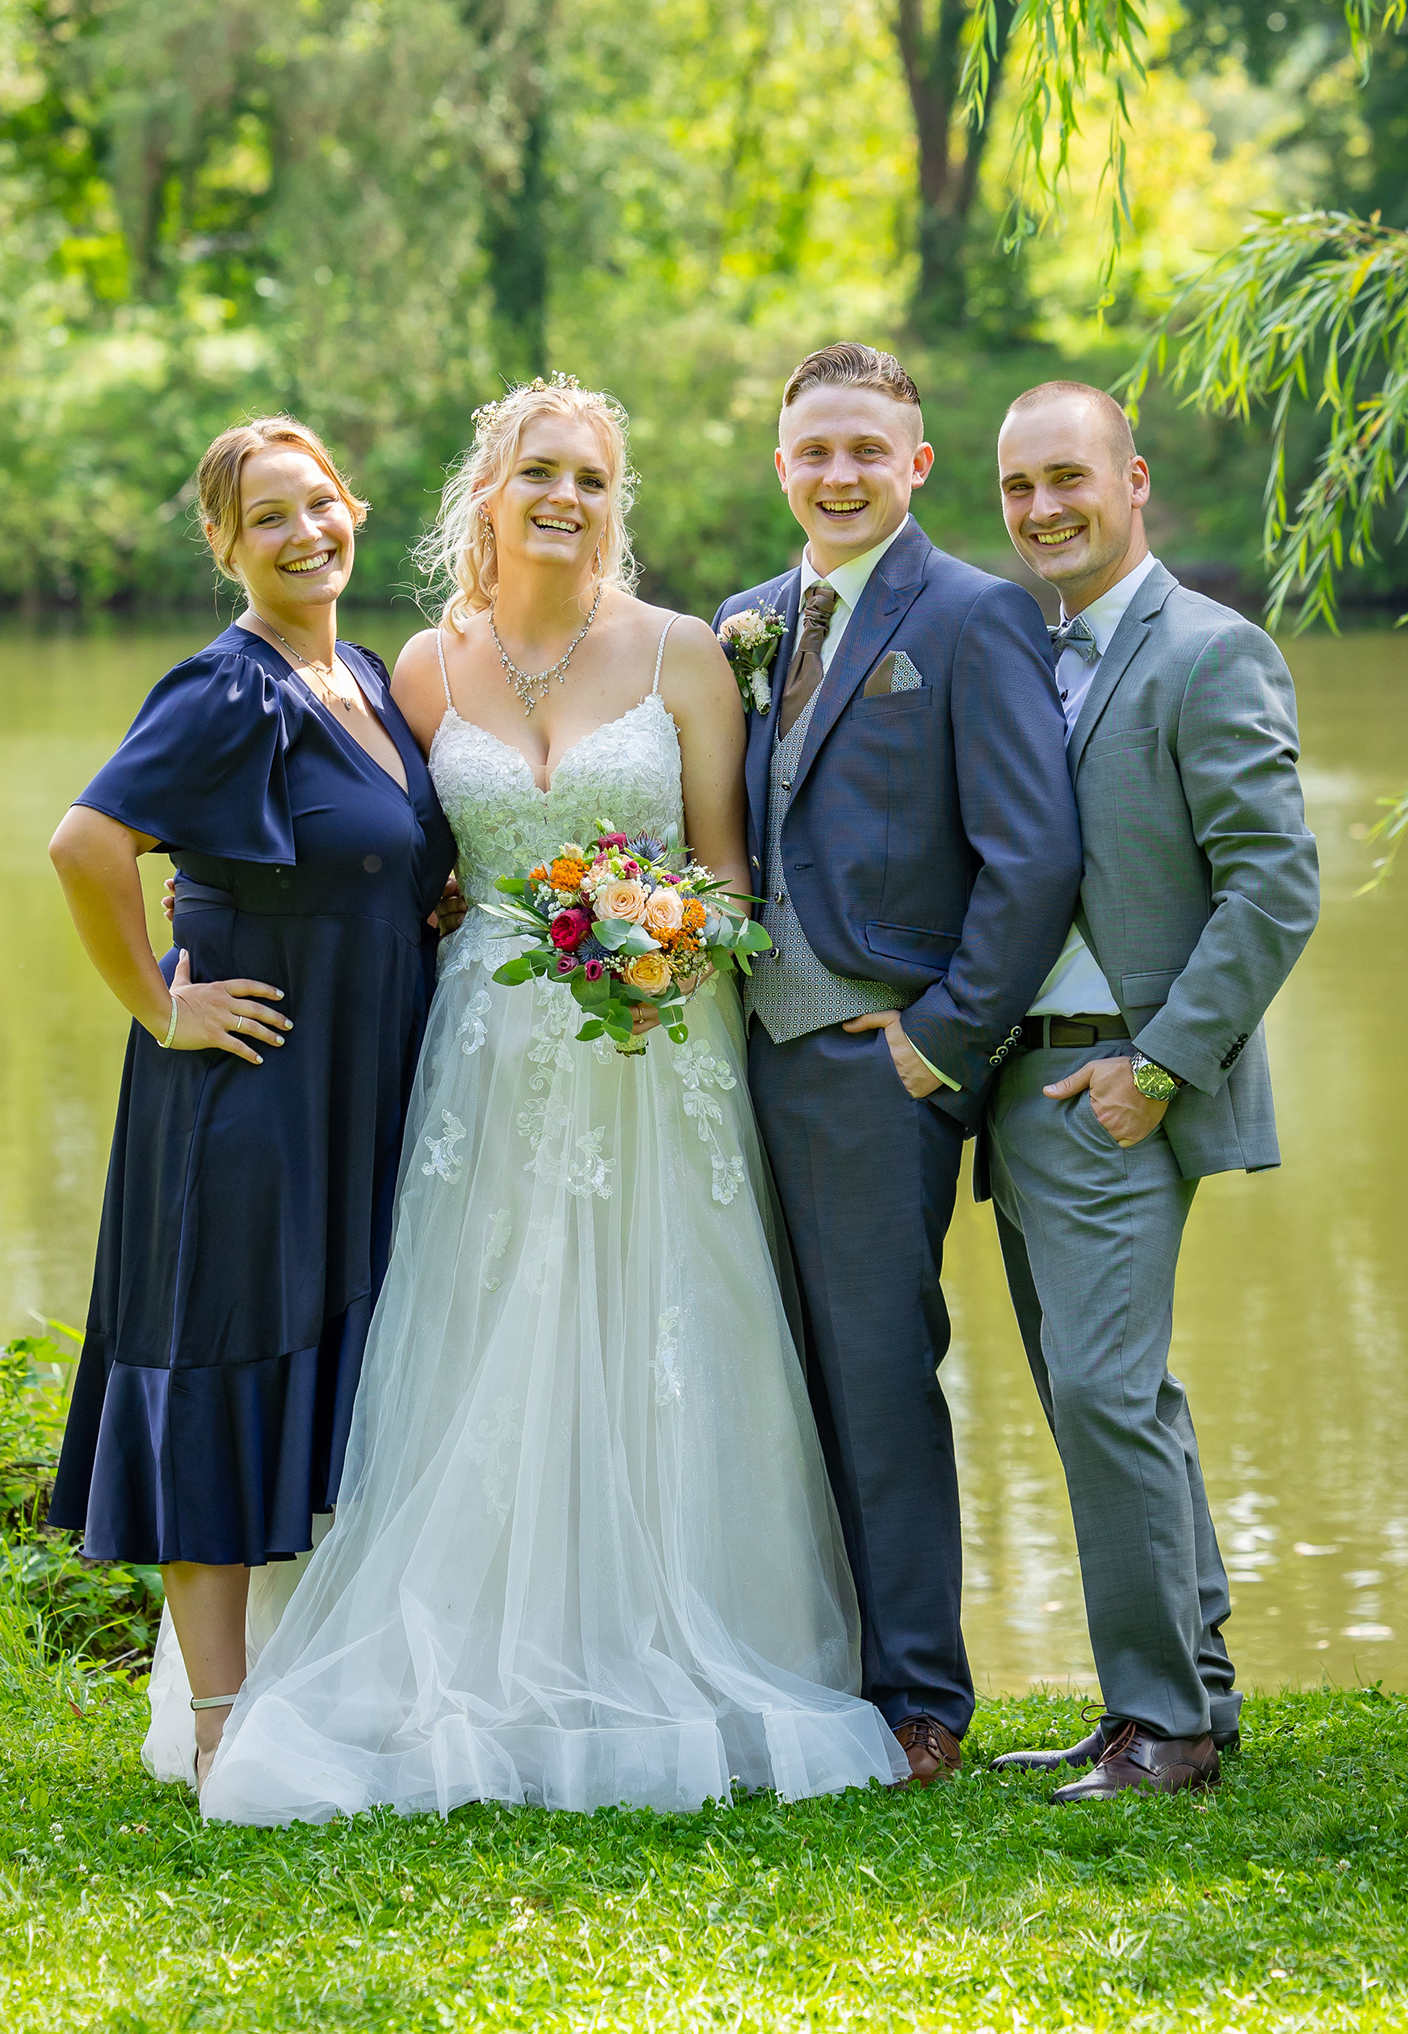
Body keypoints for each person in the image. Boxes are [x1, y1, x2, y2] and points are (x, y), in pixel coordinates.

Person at [198, 378, 906, 1824]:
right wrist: (199, 949)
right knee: (482, 1328)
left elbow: (730, 875)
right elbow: (377, 861)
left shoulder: (683, 654)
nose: (564, 499)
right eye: (538, 473)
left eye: (589, 477)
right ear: (489, 491)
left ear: (613, 500)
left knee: (655, 1326)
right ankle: (472, 1643)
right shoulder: (422, 668)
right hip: (481, 1057)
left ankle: (671, 1632)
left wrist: (663, 940)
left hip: (655, 1048)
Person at [47, 414, 453, 1792]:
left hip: (359, 1085)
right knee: (220, 1371)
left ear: (354, 510)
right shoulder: (229, 689)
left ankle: (324, 1683)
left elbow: (373, 861)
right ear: (225, 546)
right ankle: (220, 1726)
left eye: (317, 504)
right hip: (250, 1091)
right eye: (266, 517)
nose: (303, 534)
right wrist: (161, 1004)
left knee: (336, 1370)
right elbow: (86, 844)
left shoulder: (367, 677)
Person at [713, 341, 1081, 1788]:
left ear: (916, 464)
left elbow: (1032, 856)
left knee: (876, 1374)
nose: (840, 473)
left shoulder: (978, 617)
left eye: (868, 448)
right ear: (780, 465)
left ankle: (920, 1696)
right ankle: (795, 1664)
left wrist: (943, 1039)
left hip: (872, 1063)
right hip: (727, 1057)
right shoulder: (743, 623)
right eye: (815, 450)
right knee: (756, 1368)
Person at [987, 380, 1319, 1800]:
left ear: (1133, 481)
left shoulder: (1209, 651)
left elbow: (1275, 885)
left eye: (1069, 477)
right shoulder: (1025, 650)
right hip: (1021, 1084)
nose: (1044, 508)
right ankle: (1194, 1689)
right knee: (1110, 1396)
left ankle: (1161, 1727)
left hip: (1123, 1077)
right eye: (1019, 488)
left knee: (1105, 1393)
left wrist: (1164, 1065)